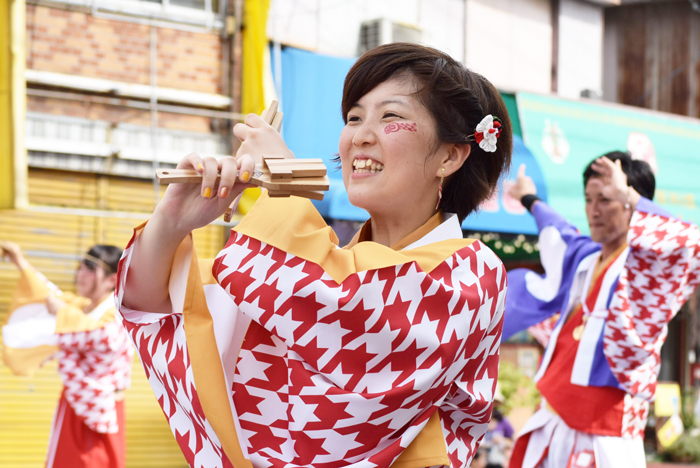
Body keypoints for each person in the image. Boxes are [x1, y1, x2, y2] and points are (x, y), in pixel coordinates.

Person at [115, 43, 513, 468]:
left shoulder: (472, 275)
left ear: (450, 156)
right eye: (354, 117)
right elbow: (165, 306)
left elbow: (345, 307)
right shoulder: (308, 274)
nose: (359, 134)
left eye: (391, 116)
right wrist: (172, 221)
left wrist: (283, 182)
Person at [504, 151, 700, 467]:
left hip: (605, 436)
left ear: (631, 203)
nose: (594, 210)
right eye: (588, 199)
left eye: (606, 199)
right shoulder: (585, 257)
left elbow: (691, 244)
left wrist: (628, 194)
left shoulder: (646, 270)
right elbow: (558, 229)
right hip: (553, 422)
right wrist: (528, 198)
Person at [1, 242, 133, 468]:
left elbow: (104, 335)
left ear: (112, 280)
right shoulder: (84, 308)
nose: (81, 274)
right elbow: (49, 293)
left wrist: (62, 312)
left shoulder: (116, 313)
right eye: (81, 266)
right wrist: (19, 260)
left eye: (91, 268)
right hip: (76, 401)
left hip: (100, 408)